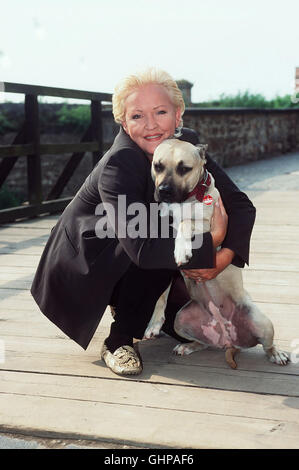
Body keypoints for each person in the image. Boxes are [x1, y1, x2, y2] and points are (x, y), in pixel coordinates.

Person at [30, 68, 256, 376]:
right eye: (137, 116)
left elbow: (240, 205)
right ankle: (119, 339)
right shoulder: (119, 163)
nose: (151, 125)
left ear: (178, 115)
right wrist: (214, 238)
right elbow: (143, 249)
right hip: (89, 263)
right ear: (123, 121)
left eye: (160, 112)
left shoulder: (184, 146)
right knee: (158, 234)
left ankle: (149, 310)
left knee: (184, 324)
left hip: (147, 244)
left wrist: (225, 256)